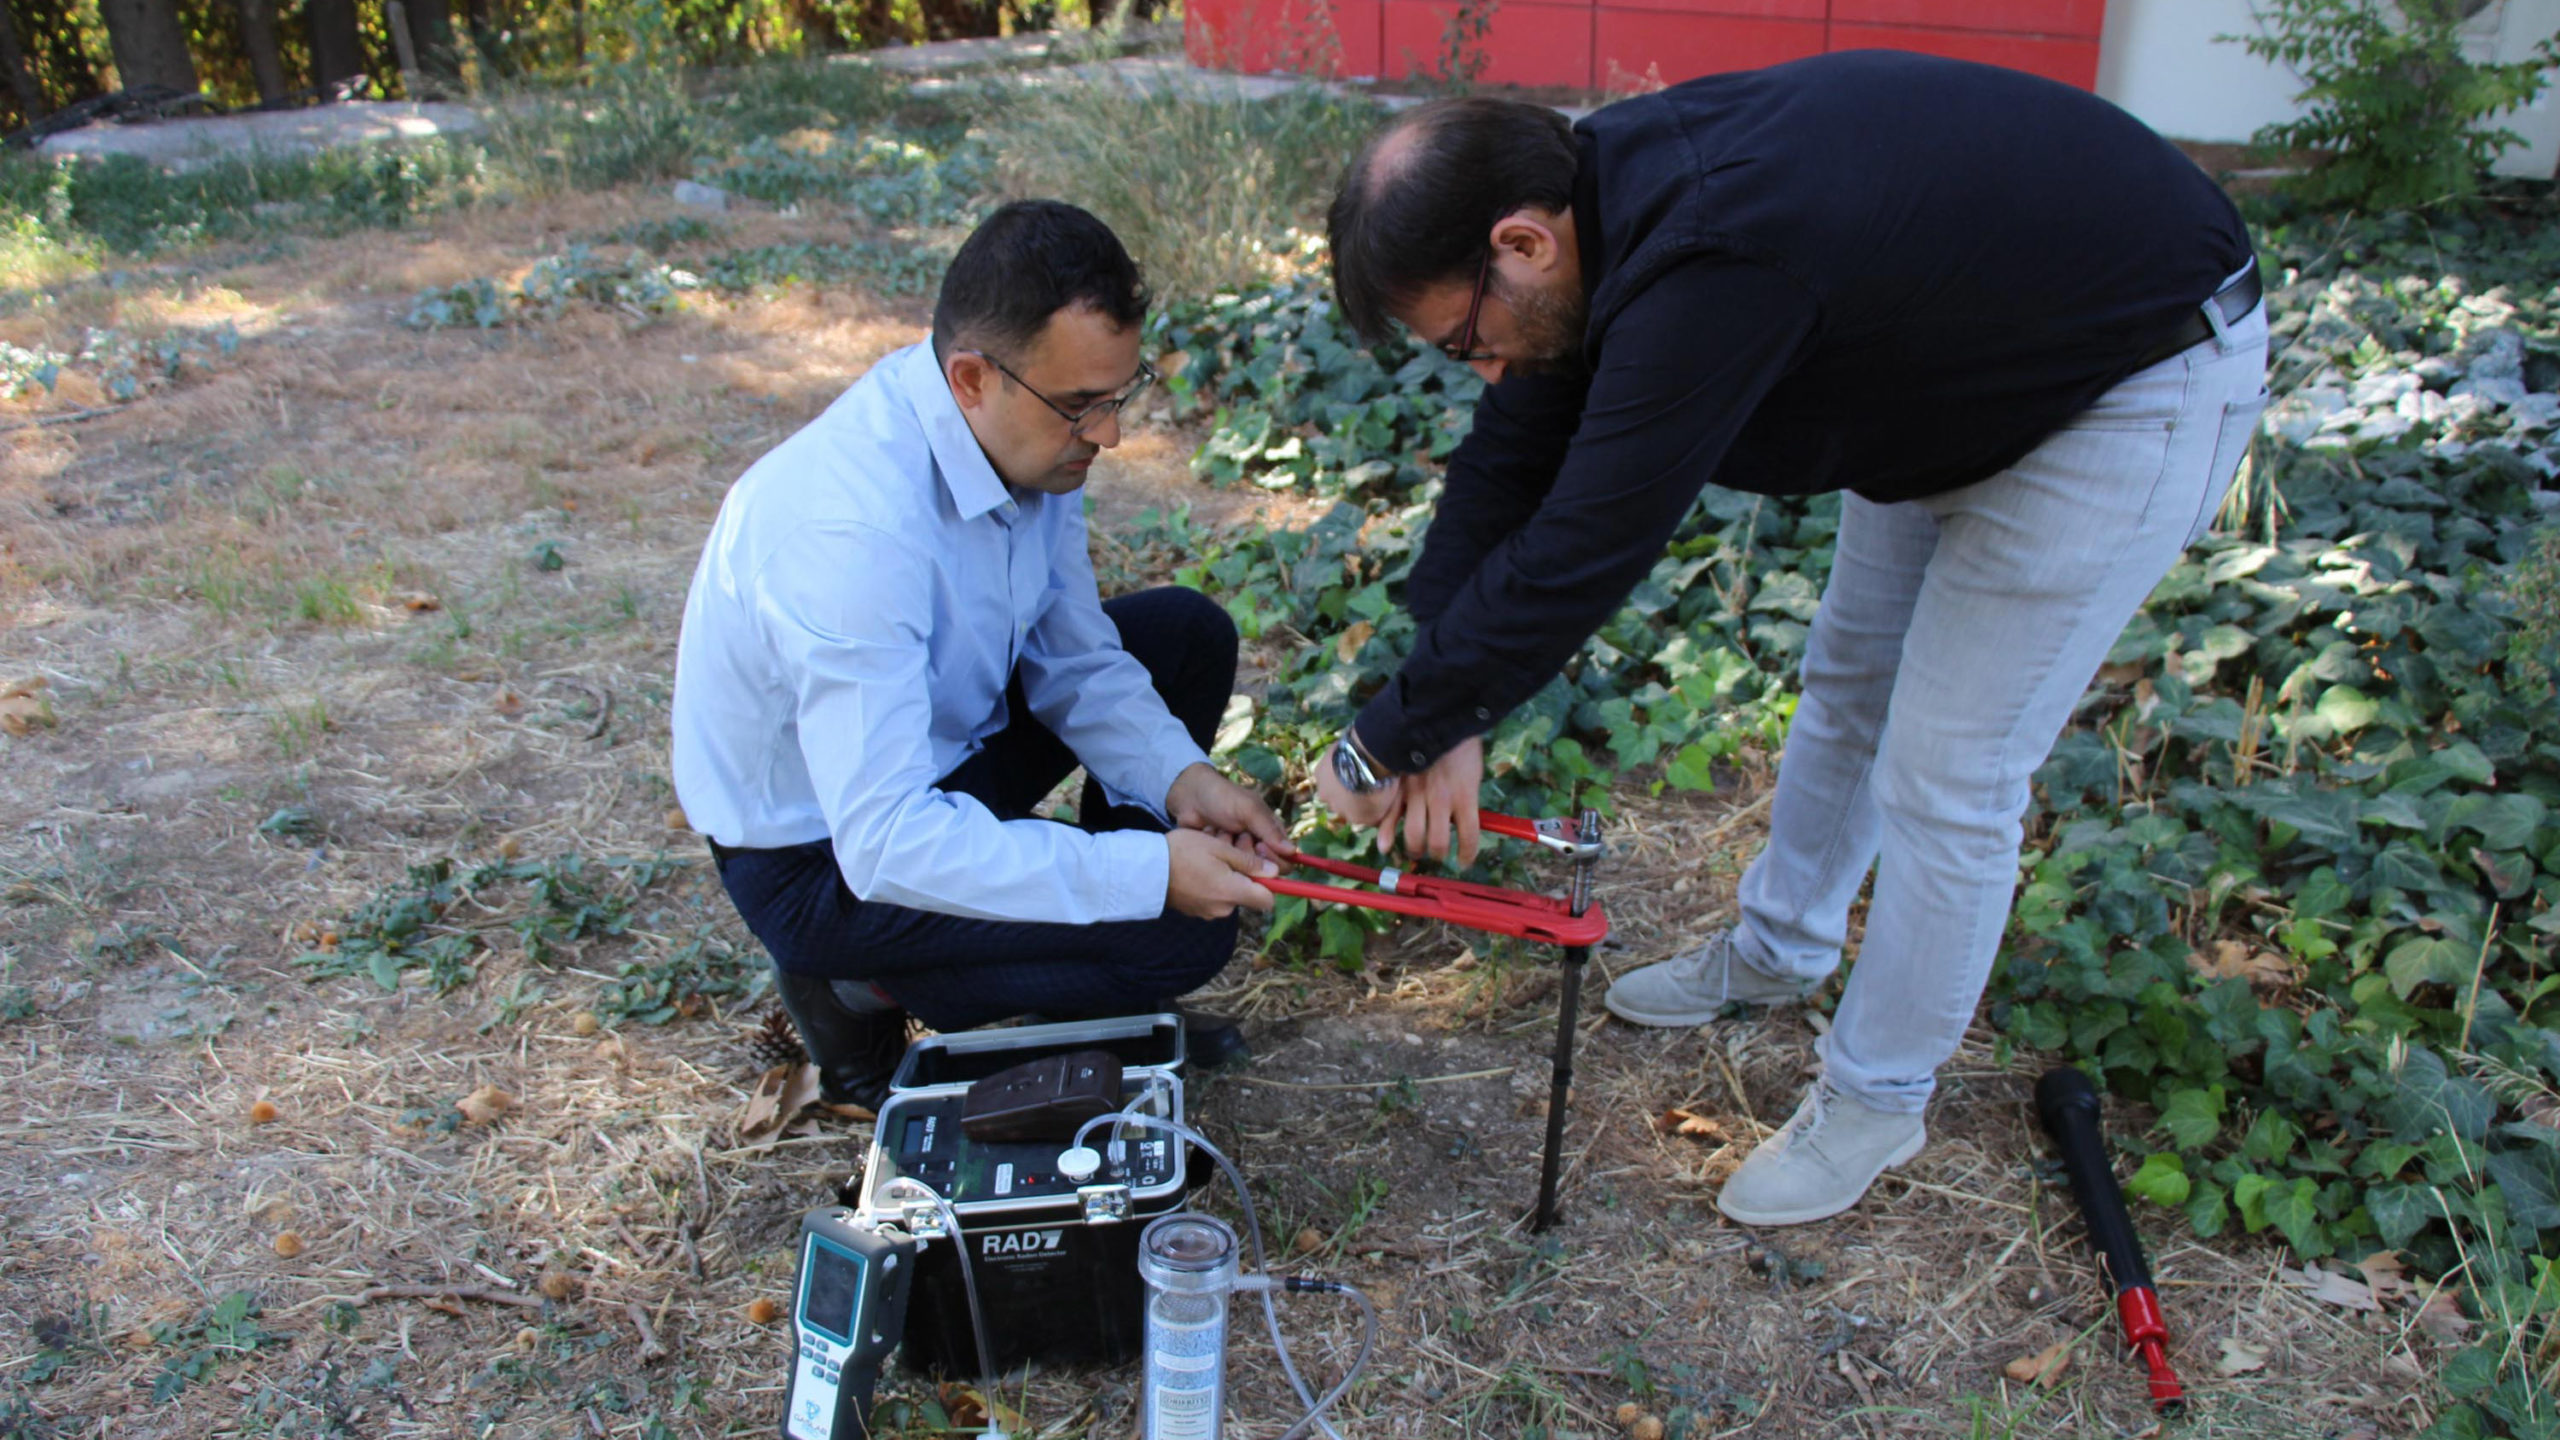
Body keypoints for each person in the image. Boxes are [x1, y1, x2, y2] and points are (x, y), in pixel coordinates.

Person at [1313, 51, 2267, 1225]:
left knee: (1949, 773)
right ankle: (1779, 949)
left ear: (1520, 245)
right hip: (1943, 364)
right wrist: (1437, 708)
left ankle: (1875, 1097)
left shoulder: (1708, 261)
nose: (1485, 367)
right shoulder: (1596, 215)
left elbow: (1585, 543)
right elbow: (1510, 458)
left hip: (2124, 372)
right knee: (1851, 681)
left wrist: (1383, 742)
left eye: (1464, 339)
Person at [672, 200, 1287, 1110]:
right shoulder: (849, 535)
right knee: (1182, 940)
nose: (1111, 434)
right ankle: (863, 987)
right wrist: (1147, 876)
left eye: (1122, 394)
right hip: (826, 857)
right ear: (969, 377)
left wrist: (1179, 781)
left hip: (938, 755)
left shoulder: (1022, 433)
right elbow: (885, 843)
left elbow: (1075, 659)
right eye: (1084, 406)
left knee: (1184, 634)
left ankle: (1087, 975)